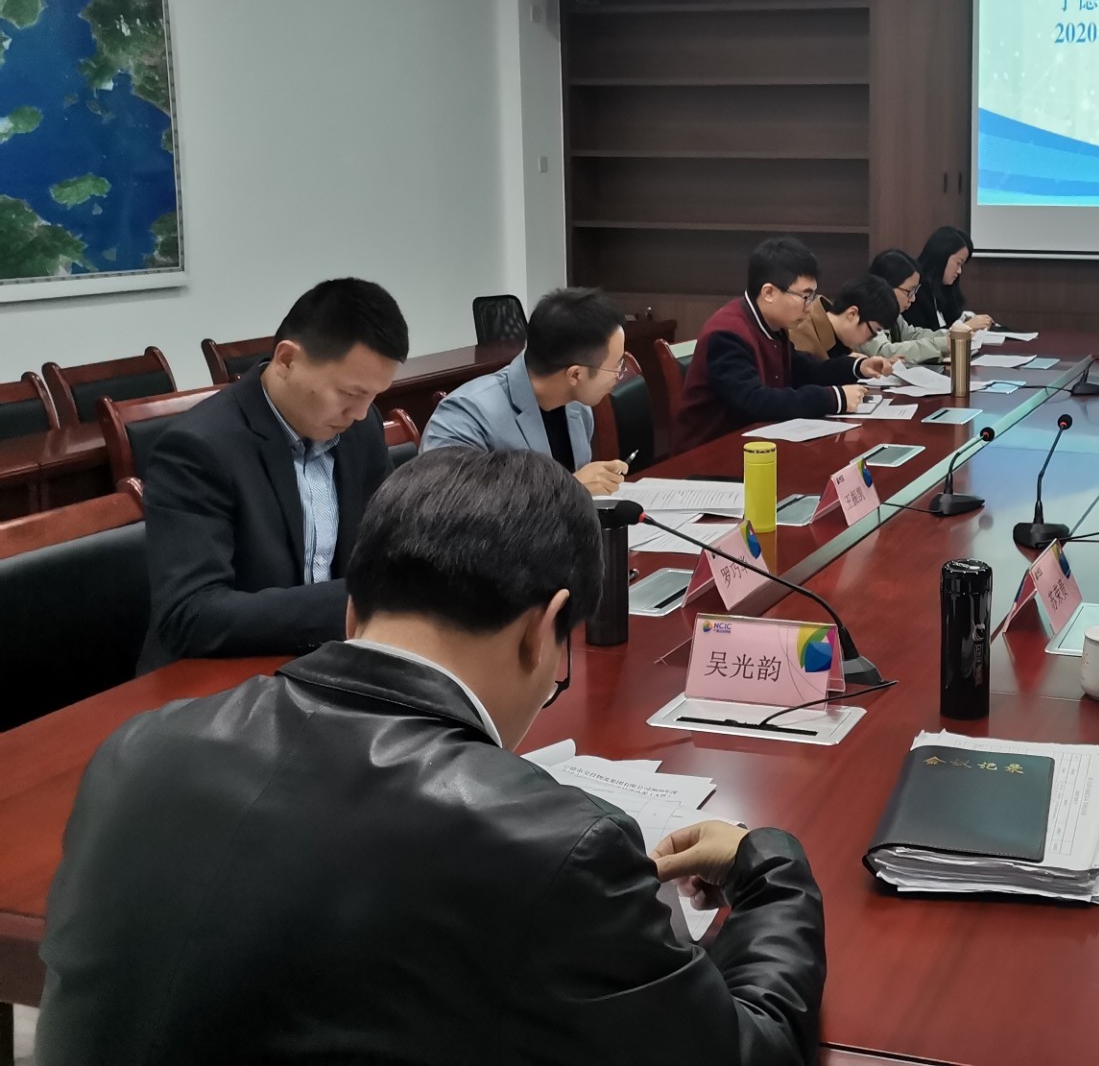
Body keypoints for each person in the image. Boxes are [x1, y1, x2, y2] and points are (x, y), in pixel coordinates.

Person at [38, 448, 826, 1065]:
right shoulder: (558, 847)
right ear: (543, 630)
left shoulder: (135, 749)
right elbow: (745, 1052)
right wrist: (767, 868)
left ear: (353, 608)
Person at [138, 278, 409, 673]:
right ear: (286, 360)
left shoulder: (360, 430)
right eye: (350, 394)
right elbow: (190, 614)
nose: (361, 413)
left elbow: (389, 543)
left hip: (329, 661)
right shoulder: (198, 448)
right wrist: (356, 600)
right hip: (221, 678)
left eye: (374, 396)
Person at [671, 236, 890, 455]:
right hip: (708, 455)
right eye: (805, 296)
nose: (810, 307)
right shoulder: (727, 333)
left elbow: (803, 369)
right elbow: (755, 402)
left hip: (756, 445)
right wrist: (834, 398)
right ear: (769, 293)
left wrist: (856, 367)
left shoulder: (773, 325)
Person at [421, 286, 631, 494]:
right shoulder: (465, 415)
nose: (618, 374)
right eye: (616, 366)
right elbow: (446, 504)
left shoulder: (577, 406)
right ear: (575, 374)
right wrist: (569, 490)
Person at [789, 274, 902, 366]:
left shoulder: (841, 341)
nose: (869, 340)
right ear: (852, 314)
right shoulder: (800, 332)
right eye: (873, 332)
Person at [859, 249, 950, 364]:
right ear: (887, 286)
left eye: (915, 291)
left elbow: (911, 335)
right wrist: (941, 344)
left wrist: (950, 336)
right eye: (909, 291)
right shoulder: (866, 312)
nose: (913, 298)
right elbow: (884, 353)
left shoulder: (891, 313)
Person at [902, 225, 992, 334]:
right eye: (958, 263)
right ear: (941, 256)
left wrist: (966, 320)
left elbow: (952, 320)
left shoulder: (944, 289)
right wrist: (966, 327)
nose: (959, 271)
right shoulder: (915, 291)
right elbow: (923, 336)